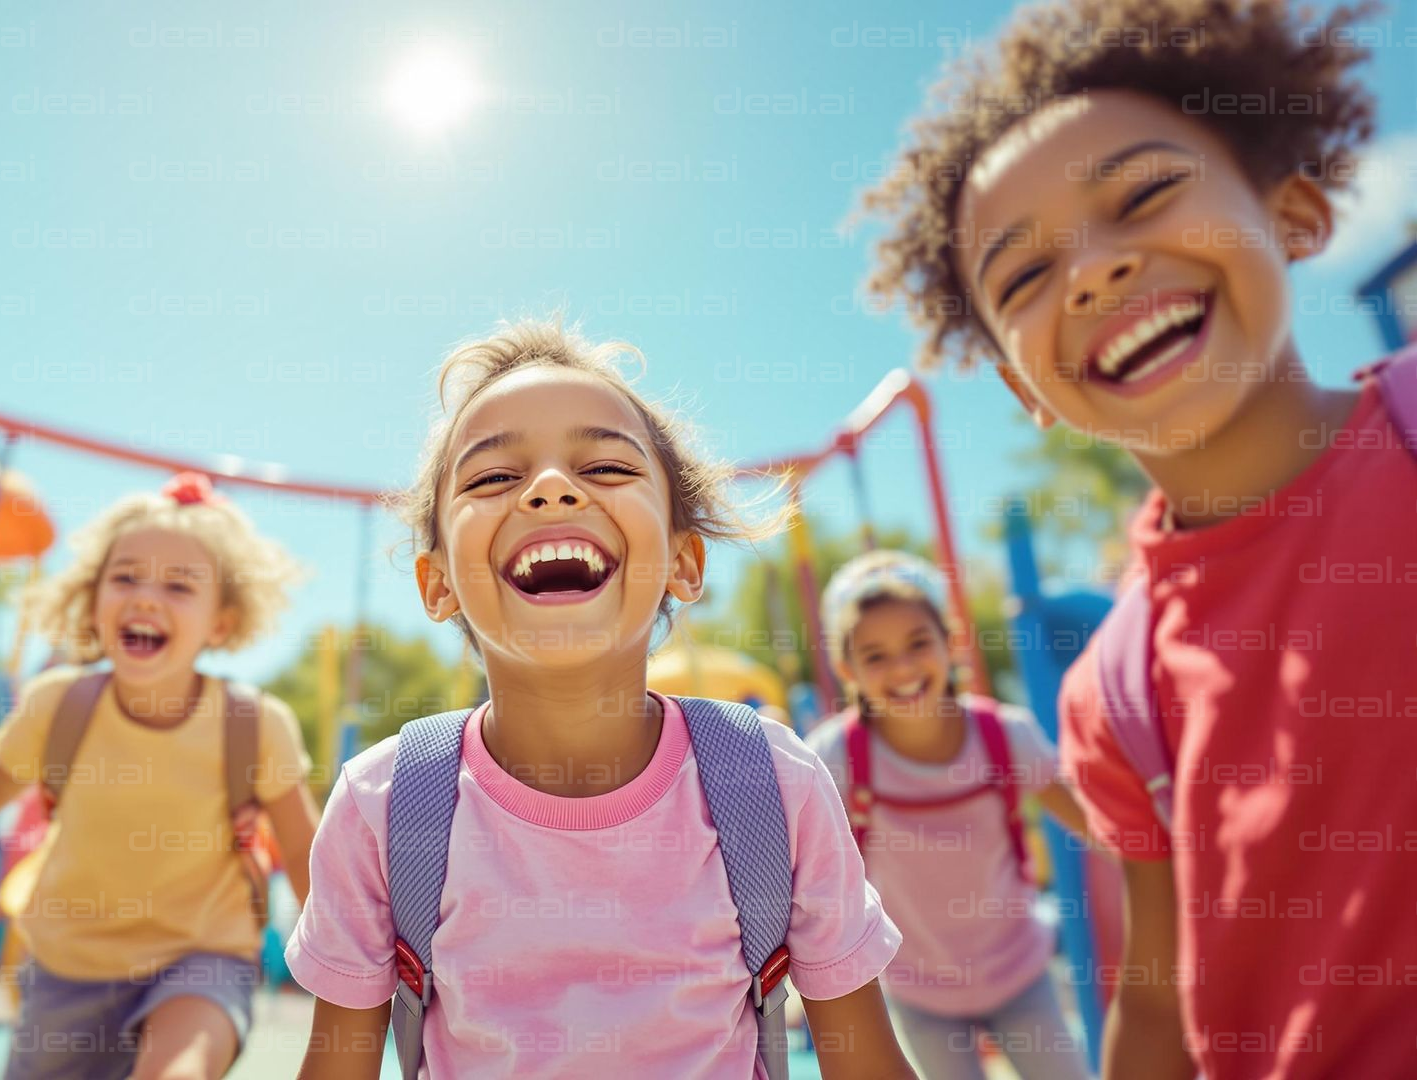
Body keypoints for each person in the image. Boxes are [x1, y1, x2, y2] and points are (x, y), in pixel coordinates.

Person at [863, 1, 1417, 1075]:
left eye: (1146, 195)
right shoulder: (1114, 694)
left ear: (1293, 212)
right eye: (1025, 277)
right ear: (1027, 388)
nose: (1094, 270)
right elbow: (1157, 1010)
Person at [289, 320, 915, 1078]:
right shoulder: (383, 808)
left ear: (684, 562)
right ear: (439, 583)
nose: (552, 487)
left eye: (607, 466)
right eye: (492, 478)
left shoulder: (772, 785)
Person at [0, 473, 321, 1080]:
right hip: (68, 963)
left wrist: (346, 956)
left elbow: (299, 846)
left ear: (220, 623)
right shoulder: (59, 704)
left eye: (179, 586)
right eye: (125, 577)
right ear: (92, 598)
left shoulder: (254, 724)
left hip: (203, 955)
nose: (146, 598)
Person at [806, 551, 1089, 1080]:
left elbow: (1097, 822)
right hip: (919, 987)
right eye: (876, 656)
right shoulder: (838, 757)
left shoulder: (1005, 737)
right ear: (847, 671)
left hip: (1019, 971)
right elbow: (794, 860)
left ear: (950, 643)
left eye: (919, 644)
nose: (905, 668)